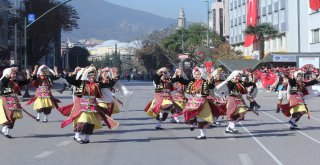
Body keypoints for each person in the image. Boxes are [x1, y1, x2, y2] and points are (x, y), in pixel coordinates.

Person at [61, 66, 119, 144]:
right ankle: (76, 136)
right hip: (82, 105)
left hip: (92, 105)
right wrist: (74, 72)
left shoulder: (97, 84)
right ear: (87, 75)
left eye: (93, 75)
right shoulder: (82, 82)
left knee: (90, 122)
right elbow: (69, 80)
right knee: (83, 120)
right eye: (90, 75)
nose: (92, 77)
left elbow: (109, 84)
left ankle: (86, 138)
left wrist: (114, 75)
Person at [181, 67, 215, 139]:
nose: (196, 76)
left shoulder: (205, 81)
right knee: (189, 113)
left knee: (202, 118)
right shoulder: (192, 82)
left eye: (198, 74)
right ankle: (192, 123)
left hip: (202, 101)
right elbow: (187, 92)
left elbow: (211, 87)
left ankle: (203, 135)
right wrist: (191, 92)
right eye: (195, 74)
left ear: (202, 74)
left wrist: (210, 81)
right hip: (193, 100)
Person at [0, 67, 31, 138]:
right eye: (13, 74)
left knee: (13, 116)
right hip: (6, 99)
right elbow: (3, 82)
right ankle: (4, 130)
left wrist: (28, 73)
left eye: (15, 74)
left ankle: (5, 132)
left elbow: (27, 82)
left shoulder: (15, 81)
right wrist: (10, 71)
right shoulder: (3, 81)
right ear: (8, 74)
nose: (14, 75)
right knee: (9, 114)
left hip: (14, 100)